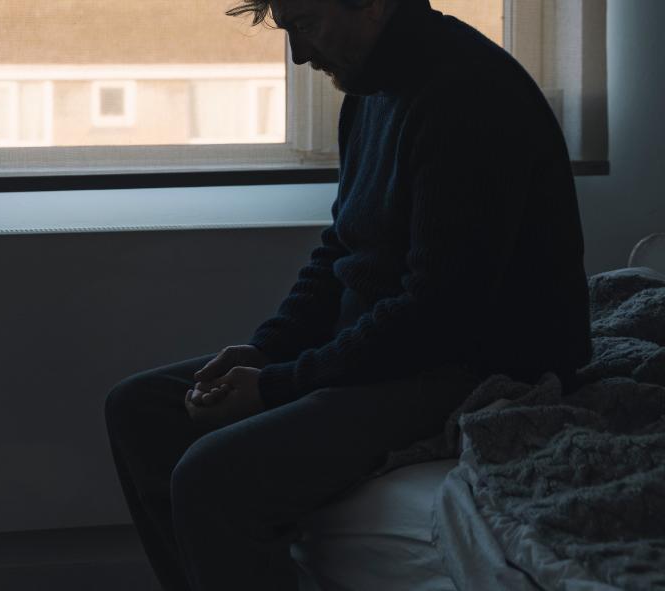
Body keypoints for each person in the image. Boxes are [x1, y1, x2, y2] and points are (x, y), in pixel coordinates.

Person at [104, 0, 592, 589]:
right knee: (138, 408)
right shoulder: (371, 88)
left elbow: (438, 314)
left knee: (212, 477)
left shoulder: (469, 96)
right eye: (288, 32)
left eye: (306, 26)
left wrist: (279, 385)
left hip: (473, 363)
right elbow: (343, 248)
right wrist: (265, 350)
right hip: (397, 345)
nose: (300, 55)